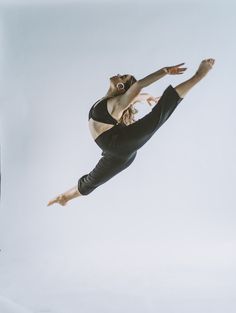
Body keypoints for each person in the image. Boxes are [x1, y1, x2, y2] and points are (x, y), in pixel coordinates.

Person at [47, 58, 215, 206]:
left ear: (122, 88)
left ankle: (198, 75)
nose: (119, 75)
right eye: (122, 75)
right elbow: (136, 94)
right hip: (118, 153)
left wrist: (164, 71)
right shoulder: (109, 101)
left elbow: (139, 86)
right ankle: (64, 198)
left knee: (159, 114)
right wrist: (144, 97)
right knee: (92, 180)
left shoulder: (117, 103)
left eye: (123, 77)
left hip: (121, 144)